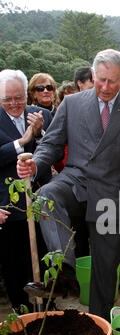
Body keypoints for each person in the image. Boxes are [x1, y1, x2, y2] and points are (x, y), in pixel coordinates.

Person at [17, 49, 120, 331]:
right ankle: (64, 272)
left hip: (113, 194)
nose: (105, 87)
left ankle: (100, 329)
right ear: (92, 74)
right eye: (100, 80)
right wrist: (35, 166)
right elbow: (50, 145)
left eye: (113, 81)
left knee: (105, 267)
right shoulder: (72, 104)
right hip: (75, 180)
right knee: (45, 197)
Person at [0, 69, 53, 311]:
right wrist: (22, 142)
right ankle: (21, 309)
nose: (14, 104)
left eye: (19, 97)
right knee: (13, 261)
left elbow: (50, 154)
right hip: (7, 204)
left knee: (45, 255)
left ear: (26, 94)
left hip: (39, 201)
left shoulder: (41, 115)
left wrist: (39, 134)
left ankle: (48, 302)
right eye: (7, 99)